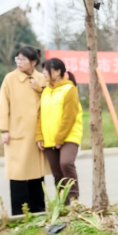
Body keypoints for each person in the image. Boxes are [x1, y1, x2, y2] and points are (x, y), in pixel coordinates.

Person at [0, 46, 49, 216]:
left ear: (34, 62)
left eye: (23, 59)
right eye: (17, 59)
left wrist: (39, 88)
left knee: (36, 172)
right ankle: (19, 213)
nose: (19, 62)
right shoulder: (10, 79)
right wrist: (3, 129)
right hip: (16, 132)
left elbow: (50, 101)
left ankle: (39, 210)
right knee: (17, 172)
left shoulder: (42, 78)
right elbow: (2, 104)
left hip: (37, 133)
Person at [36, 58, 82, 204]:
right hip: (49, 139)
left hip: (69, 136)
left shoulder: (69, 89)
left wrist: (59, 139)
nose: (43, 73)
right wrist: (39, 136)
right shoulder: (46, 91)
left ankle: (74, 200)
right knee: (57, 174)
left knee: (66, 163)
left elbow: (70, 117)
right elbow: (40, 116)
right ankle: (64, 204)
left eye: (46, 70)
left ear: (57, 72)